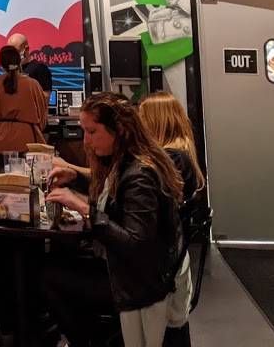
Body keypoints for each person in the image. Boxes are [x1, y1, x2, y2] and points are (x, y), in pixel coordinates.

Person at [45, 94, 184, 347]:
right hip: (142, 275)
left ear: (119, 130)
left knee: (45, 276)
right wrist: (75, 177)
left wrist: (85, 209)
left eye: (92, 132)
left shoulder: (140, 177)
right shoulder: (131, 161)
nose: (86, 141)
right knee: (55, 264)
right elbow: (115, 192)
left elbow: (135, 244)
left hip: (139, 284)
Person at [138, 92, 207, 344]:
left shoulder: (169, 160)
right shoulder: (181, 156)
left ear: (155, 123)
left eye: (141, 119)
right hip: (171, 267)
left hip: (154, 273)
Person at [0, 44, 48, 170]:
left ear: (1, 64)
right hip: (26, 139)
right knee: (27, 177)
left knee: (1, 178)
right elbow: (42, 114)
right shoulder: (32, 84)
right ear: (19, 61)